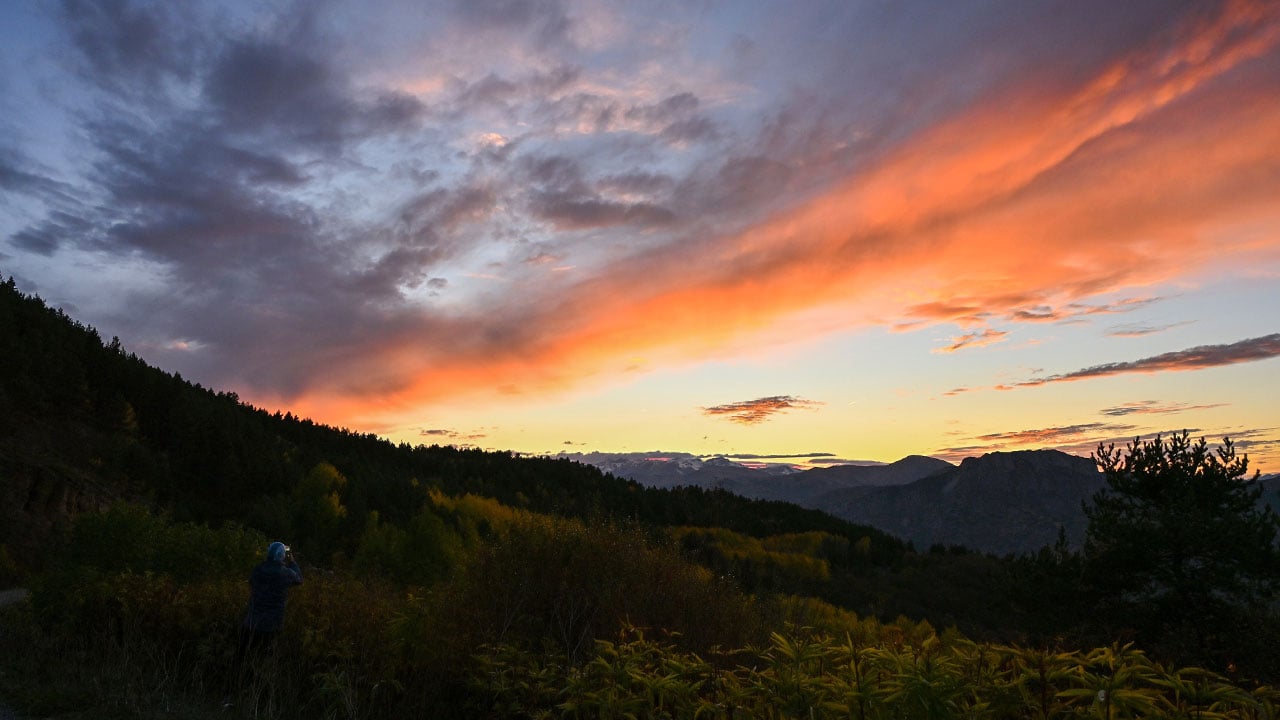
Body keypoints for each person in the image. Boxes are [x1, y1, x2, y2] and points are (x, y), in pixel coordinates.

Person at [239, 541, 303, 656]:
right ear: (282, 555)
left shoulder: (258, 570)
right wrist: (292, 561)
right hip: (272, 625)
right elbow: (299, 579)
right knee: (265, 656)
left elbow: (251, 582)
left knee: (244, 655)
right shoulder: (286, 573)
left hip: (251, 622)